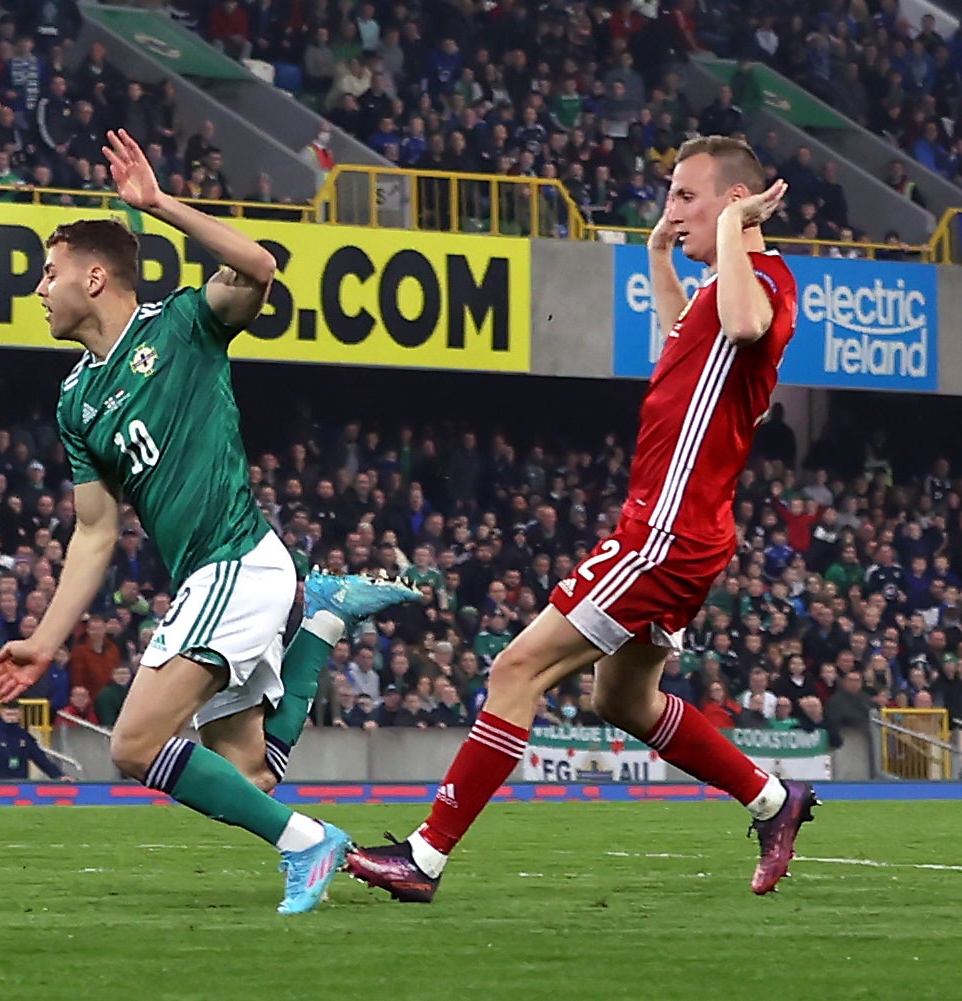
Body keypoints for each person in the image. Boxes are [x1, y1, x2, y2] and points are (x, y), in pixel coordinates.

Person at [347, 135, 818, 903]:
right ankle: (773, 798)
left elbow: (739, 326)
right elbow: (687, 343)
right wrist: (660, 260)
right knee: (621, 700)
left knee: (516, 669)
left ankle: (424, 857)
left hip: (663, 529)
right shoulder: (721, 286)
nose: (671, 210)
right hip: (685, 528)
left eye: (685, 196)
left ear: (736, 202)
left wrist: (733, 231)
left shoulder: (762, 278)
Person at [0, 129, 418, 915]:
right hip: (207, 577)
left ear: (95, 275)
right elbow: (94, 532)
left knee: (135, 743)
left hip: (236, 560)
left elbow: (259, 267)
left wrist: (157, 205)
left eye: (50, 273)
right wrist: (46, 640)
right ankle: (318, 623)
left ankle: (309, 842)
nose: (39, 289)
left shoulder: (182, 324)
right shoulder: (76, 398)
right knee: (248, 776)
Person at [0, 700, 71, 780]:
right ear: (1, 713)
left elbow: (41, 759)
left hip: (20, 787)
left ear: (20, 714)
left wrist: (59, 776)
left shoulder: (25, 737)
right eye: (8, 714)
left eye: (14, 714)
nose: (11, 718)